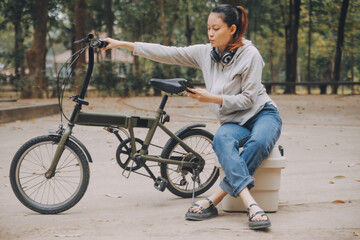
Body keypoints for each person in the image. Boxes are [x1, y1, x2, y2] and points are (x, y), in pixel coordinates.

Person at [103, 4, 282, 230]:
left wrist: (213, 98)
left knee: (259, 142)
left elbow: (248, 100)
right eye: (208, 28)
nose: (210, 33)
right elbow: (168, 52)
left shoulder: (251, 55)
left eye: (216, 28)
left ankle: (215, 199)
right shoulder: (205, 53)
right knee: (220, 141)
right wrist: (124, 44)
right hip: (233, 121)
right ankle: (252, 205)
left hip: (262, 114)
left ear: (232, 29)